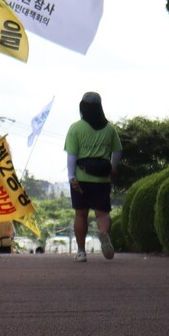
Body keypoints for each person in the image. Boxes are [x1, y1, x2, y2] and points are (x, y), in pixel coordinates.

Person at [64, 92, 122, 261]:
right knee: (102, 213)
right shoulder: (109, 129)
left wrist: (71, 176)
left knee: (81, 214)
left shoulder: (76, 128)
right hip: (102, 178)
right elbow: (118, 151)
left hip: (81, 178)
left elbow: (71, 155)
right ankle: (104, 234)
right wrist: (112, 169)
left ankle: (81, 252)